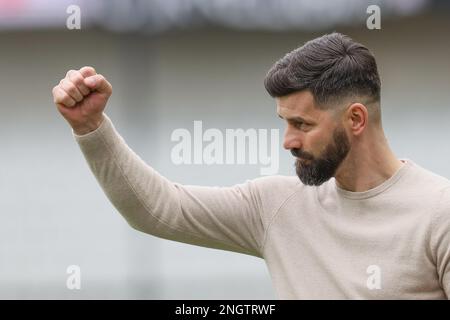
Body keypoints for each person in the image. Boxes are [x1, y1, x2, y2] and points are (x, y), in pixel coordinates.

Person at [52, 33, 450, 299]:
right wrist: (90, 127)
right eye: (285, 122)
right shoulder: (275, 206)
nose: (288, 141)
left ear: (356, 119)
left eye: (302, 124)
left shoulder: (438, 213)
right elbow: (157, 209)